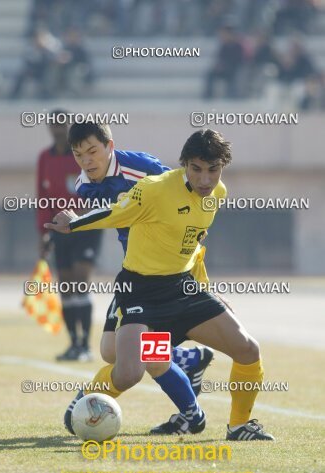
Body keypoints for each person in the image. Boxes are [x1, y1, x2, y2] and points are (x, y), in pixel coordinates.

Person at [46, 129, 274, 440]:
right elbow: (117, 212)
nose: (205, 179)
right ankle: (96, 398)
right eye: (196, 169)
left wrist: (206, 289)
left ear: (222, 168)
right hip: (140, 288)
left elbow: (191, 243)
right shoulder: (154, 188)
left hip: (182, 286)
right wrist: (73, 223)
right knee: (126, 370)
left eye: (213, 170)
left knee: (248, 349)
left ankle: (238, 426)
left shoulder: (217, 193)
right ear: (183, 165)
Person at [62, 122, 215, 435]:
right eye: (79, 155)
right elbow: (118, 216)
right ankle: (188, 357)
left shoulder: (141, 167)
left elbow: (184, 187)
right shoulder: (84, 185)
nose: (87, 160)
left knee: (146, 355)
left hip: (165, 271)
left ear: (109, 146)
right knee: (111, 351)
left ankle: (191, 414)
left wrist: (193, 237)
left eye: (92, 151)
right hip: (136, 270)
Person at [37, 111, 102, 361]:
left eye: (61, 125)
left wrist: (86, 215)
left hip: (86, 227)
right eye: (52, 125)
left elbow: (98, 188)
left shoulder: (82, 155)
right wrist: (43, 233)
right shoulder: (45, 157)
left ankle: (86, 345)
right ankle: (73, 344)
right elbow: (42, 198)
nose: (56, 130)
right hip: (58, 228)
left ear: (68, 127)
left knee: (80, 280)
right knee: (65, 285)